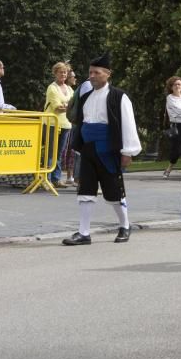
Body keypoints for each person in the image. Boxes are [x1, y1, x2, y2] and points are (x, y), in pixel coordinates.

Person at [61, 53, 141, 246]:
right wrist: (79, 145)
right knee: (85, 191)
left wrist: (127, 152)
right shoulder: (87, 96)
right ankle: (84, 232)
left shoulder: (119, 97)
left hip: (109, 149)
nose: (92, 76)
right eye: (90, 73)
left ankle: (125, 226)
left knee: (114, 191)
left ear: (107, 74)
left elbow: (128, 124)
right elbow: (81, 122)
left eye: (96, 72)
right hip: (88, 150)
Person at [43, 62, 74, 188]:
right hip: (52, 123)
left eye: (65, 72)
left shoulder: (70, 89)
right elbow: (57, 108)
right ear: (55, 73)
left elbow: (72, 105)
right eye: (60, 72)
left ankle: (56, 179)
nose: (63, 74)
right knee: (50, 153)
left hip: (66, 124)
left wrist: (67, 106)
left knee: (60, 153)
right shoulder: (52, 88)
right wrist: (69, 106)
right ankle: (47, 179)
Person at [62, 69, 81, 185]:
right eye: (73, 76)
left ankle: (70, 176)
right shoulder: (67, 90)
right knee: (67, 151)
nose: (75, 78)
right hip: (66, 123)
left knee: (72, 151)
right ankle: (69, 176)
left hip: (71, 124)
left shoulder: (71, 90)